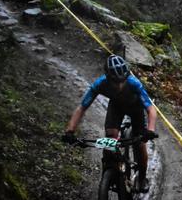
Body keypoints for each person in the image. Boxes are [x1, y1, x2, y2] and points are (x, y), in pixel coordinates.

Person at [62, 55, 158, 192]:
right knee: (110, 138)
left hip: (136, 108)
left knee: (140, 142)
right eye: (115, 82)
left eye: (122, 81)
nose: (119, 85)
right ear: (108, 78)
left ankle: (142, 179)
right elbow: (82, 107)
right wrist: (70, 131)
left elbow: (150, 108)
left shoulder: (134, 83)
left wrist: (150, 129)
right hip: (116, 107)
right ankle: (109, 168)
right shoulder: (100, 83)